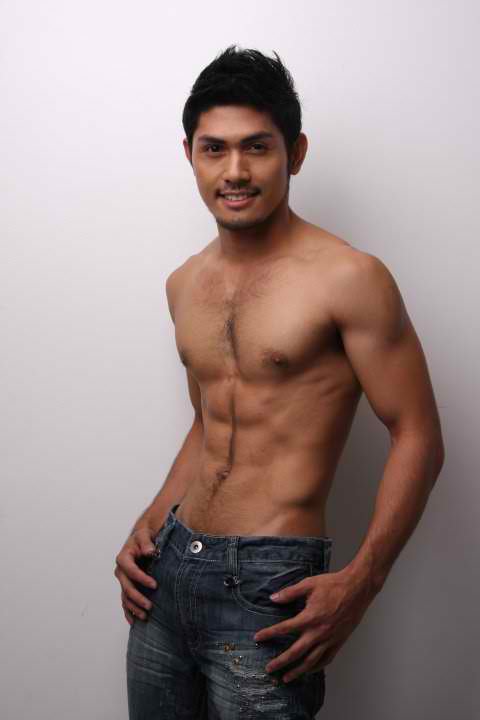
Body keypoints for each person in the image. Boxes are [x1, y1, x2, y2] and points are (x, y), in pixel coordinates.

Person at [115, 45, 445, 718]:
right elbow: (211, 423)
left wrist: (363, 579)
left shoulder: (349, 278)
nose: (235, 171)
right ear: (189, 155)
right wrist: (150, 521)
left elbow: (418, 434)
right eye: (214, 149)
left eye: (256, 147)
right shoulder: (184, 283)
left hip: (267, 588)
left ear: (295, 153)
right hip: (167, 573)